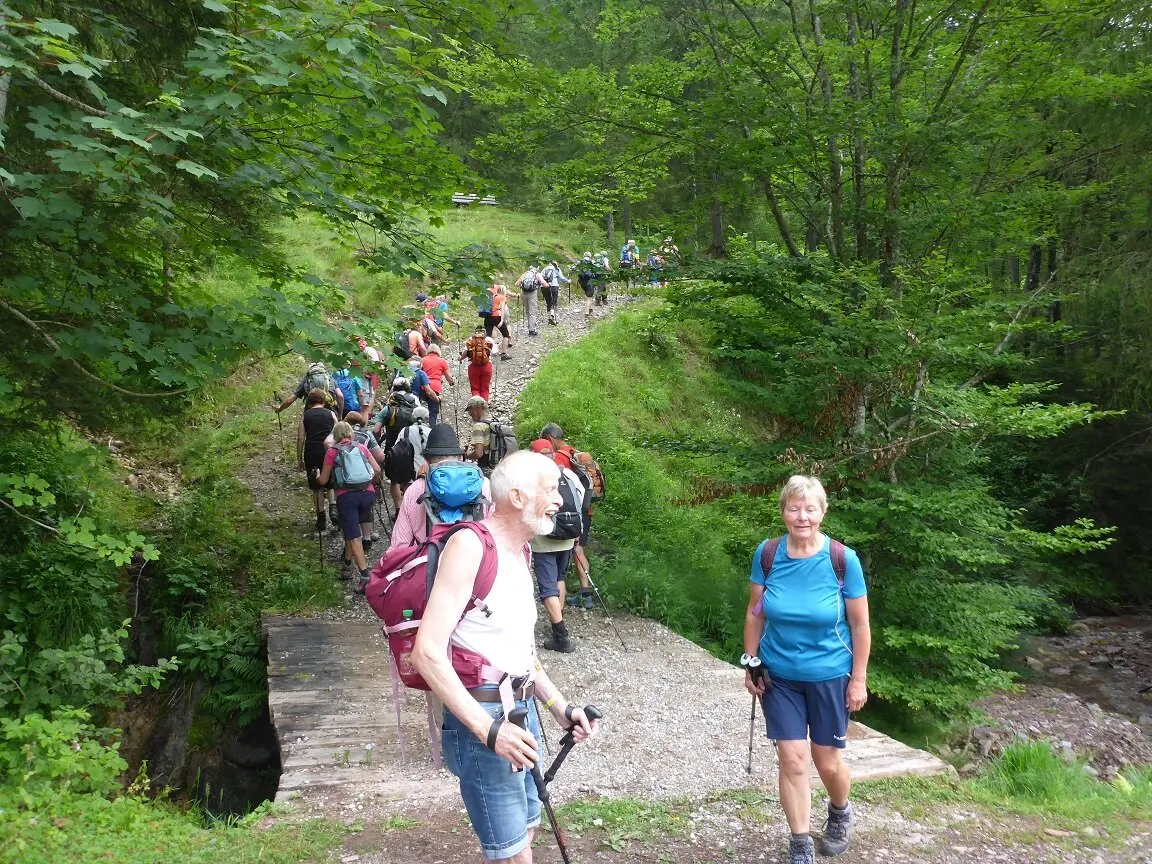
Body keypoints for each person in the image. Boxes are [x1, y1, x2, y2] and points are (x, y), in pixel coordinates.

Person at [410, 450, 600, 864]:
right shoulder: (469, 547)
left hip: (520, 710)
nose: (559, 500)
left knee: (527, 825)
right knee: (512, 853)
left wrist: (560, 708)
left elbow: (522, 653)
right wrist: (488, 730)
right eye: (550, 490)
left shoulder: (521, 553)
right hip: (484, 717)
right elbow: (426, 652)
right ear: (516, 496)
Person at [744, 475, 871, 864]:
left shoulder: (841, 559)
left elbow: (860, 624)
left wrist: (859, 679)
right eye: (794, 508)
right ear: (783, 511)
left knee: (827, 761)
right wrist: (750, 661)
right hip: (779, 675)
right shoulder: (767, 554)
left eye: (810, 509)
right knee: (792, 758)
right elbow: (754, 613)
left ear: (823, 511)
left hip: (831, 674)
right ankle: (799, 843)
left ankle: (839, 810)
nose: (802, 516)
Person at [388, 424, 494, 550]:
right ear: (460, 457)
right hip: (475, 561)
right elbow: (496, 533)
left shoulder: (415, 489)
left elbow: (400, 545)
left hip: (429, 564)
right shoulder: (484, 484)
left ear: (426, 460)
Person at [528, 439, 585, 653]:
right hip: (568, 536)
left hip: (544, 540)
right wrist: (578, 532)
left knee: (547, 587)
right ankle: (557, 620)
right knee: (560, 578)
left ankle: (561, 637)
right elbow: (579, 500)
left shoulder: (533, 479)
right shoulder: (568, 474)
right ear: (552, 455)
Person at [317, 421, 382, 583]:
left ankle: (365, 575)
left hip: (347, 497)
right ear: (351, 433)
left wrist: (317, 475)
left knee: (354, 536)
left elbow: (323, 480)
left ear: (336, 435)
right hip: (367, 494)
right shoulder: (361, 447)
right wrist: (369, 485)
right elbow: (377, 469)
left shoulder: (333, 452)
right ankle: (347, 565)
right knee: (350, 528)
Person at [539, 423, 594, 611]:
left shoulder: (560, 459)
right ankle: (584, 592)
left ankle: (585, 594)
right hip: (583, 511)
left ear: (551, 439)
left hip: (569, 514)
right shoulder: (573, 451)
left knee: (576, 551)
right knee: (578, 550)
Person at [296, 388, 338, 533]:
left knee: (316, 486)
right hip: (329, 451)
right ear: (323, 400)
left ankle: (321, 518)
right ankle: (333, 508)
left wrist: (299, 457)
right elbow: (338, 433)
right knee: (331, 481)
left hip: (312, 451)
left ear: (309, 401)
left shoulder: (305, 416)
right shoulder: (331, 414)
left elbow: (301, 437)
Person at [373, 378, 418, 511]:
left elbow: (376, 429)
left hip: (393, 448)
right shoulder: (414, 403)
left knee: (394, 480)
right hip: (411, 447)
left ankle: (398, 509)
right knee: (409, 478)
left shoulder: (388, 409)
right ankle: (409, 508)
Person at [277, 361, 343, 416]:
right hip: (331, 411)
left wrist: (280, 409)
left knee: (304, 424)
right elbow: (340, 396)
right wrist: (340, 415)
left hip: (311, 412)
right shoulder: (329, 378)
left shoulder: (307, 379)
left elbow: (290, 400)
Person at [421, 344, 453, 425]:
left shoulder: (422, 360)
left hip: (423, 387)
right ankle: (432, 429)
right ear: (438, 351)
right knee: (433, 412)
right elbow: (448, 377)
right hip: (435, 388)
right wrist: (451, 382)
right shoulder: (442, 361)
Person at [461, 327, 496, 402]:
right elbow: (495, 353)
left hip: (473, 367)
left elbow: (465, 353)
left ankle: (476, 407)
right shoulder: (489, 339)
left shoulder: (471, 340)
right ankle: (483, 408)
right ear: (484, 332)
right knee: (485, 389)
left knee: (475, 389)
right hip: (487, 366)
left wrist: (460, 358)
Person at [484, 283, 516, 359]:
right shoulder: (502, 297)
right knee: (506, 335)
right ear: (504, 291)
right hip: (496, 316)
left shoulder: (492, 296)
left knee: (488, 335)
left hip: (488, 316)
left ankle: (486, 353)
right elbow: (502, 309)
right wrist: (501, 320)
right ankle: (503, 354)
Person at [515, 265, 543, 336]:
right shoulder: (537, 274)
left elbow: (517, 284)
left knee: (528, 311)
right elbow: (544, 283)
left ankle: (530, 325)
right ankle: (532, 329)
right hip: (532, 294)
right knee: (532, 311)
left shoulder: (525, 274)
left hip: (523, 293)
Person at [405, 405, 432, 479]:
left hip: (408, 473)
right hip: (427, 473)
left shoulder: (405, 430)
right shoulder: (431, 432)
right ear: (427, 419)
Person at [539, 261, 569, 326]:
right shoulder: (556, 268)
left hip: (544, 286)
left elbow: (540, 278)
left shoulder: (544, 269)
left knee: (548, 302)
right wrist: (567, 281)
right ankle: (553, 316)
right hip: (554, 286)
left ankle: (549, 318)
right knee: (554, 301)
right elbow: (561, 277)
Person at [577, 252, 596, 321]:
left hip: (581, 281)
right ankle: (587, 312)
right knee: (589, 297)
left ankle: (590, 308)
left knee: (588, 295)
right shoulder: (592, 262)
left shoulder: (579, 262)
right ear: (590, 256)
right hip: (589, 281)